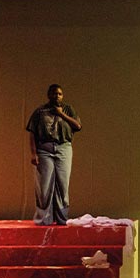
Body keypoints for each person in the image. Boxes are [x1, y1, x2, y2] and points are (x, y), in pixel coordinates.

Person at [26, 84, 82, 226]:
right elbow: (32, 133)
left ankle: (62, 218)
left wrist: (61, 114)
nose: (57, 96)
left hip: (63, 148)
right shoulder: (40, 111)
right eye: (54, 93)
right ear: (49, 95)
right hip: (44, 150)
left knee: (63, 184)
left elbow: (77, 126)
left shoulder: (68, 109)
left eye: (60, 94)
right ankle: (44, 219)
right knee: (44, 185)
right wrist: (33, 153)